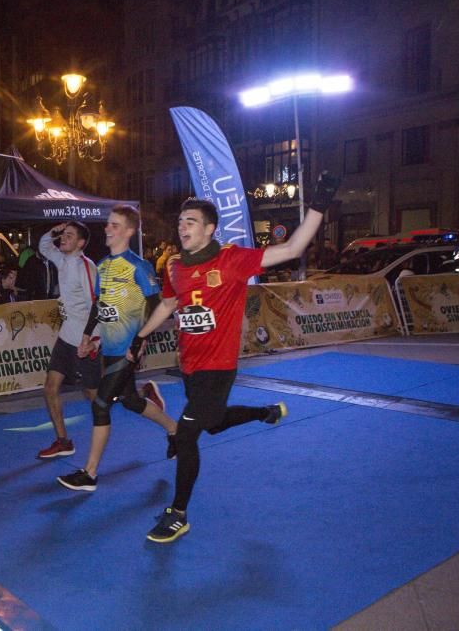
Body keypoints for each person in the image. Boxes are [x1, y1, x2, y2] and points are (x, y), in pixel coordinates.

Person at [133, 172, 341, 544]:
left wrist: (319, 206)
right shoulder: (175, 266)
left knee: (188, 434)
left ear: (210, 229)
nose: (183, 228)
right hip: (191, 367)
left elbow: (292, 249)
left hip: (219, 367)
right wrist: (142, 336)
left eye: (191, 222)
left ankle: (177, 513)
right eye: (181, 222)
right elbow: (168, 303)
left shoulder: (232, 260)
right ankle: (266, 413)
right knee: (212, 424)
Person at [56, 205, 178, 492]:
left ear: (129, 231)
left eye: (114, 225)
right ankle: (175, 430)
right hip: (109, 347)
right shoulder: (102, 266)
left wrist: (140, 342)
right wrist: (87, 336)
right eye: (108, 224)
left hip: (127, 349)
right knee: (131, 401)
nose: (108, 229)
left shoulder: (139, 266)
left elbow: (156, 307)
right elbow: (99, 305)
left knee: (101, 403)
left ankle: (90, 473)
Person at [36, 221, 101, 459]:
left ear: (80, 243)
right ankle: (63, 441)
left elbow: (98, 306)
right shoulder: (62, 261)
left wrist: (94, 341)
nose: (63, 238)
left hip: (85, 342)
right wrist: (54, 230)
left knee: (96, 398)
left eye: (69, 236)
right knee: (50, 388)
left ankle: (142, 395)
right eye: (63, 235)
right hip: (66, 337)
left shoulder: (87, 267)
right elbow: (44, 246)